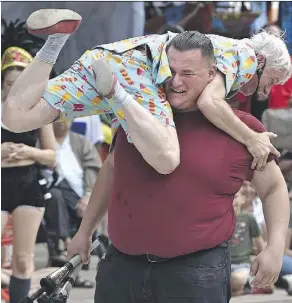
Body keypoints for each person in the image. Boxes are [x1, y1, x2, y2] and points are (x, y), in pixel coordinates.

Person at [66, 32, 290, 303]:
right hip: (121, 268)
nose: (175, 81)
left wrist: (275, 247)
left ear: (211, 74)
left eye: (188, 73)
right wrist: (84, 232)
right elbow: (112, 170)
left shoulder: (245, 131)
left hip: (195, 275)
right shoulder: (139, 116)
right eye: (169, 70)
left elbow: (274, 188)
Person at [3, 9, 291, 173]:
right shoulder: (246, 56)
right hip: (139, 72)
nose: (269, 90)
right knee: (167, 160)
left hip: (109, 57)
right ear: (264, 60)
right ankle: (117, 94)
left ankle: (57, 40)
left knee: (14, 118)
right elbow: (209, 102)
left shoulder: (227, 49)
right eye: (273, 80)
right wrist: (252, 139)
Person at [1, 46, 56, 303]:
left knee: (23, 260)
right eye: (9, 83)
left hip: (29, 184)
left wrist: (27, 151)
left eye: (19, 83)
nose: (13, 88)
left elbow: (52, 156)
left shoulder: (38, 111)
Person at [44, 120, 102, 288]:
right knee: (56, 195)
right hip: (50, 193)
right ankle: (66, 242)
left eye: (66, 117)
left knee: (67, 198)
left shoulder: (80, 141)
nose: (62, 121)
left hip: (78, 193)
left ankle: (66, 245)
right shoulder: (43, 141)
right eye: (57, 119)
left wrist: (88, 195)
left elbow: (94, 168)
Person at [230, 184, 272, 296]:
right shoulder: (221, 219)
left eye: (236, 196)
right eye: (229, 197)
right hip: (223, 265)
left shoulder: (248, 218)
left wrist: (265, 267)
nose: (232, 200)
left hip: (242, 264)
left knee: (237, 279)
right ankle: (246, 288)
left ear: (243, 199)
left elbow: (260, 244)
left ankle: (244, 287)